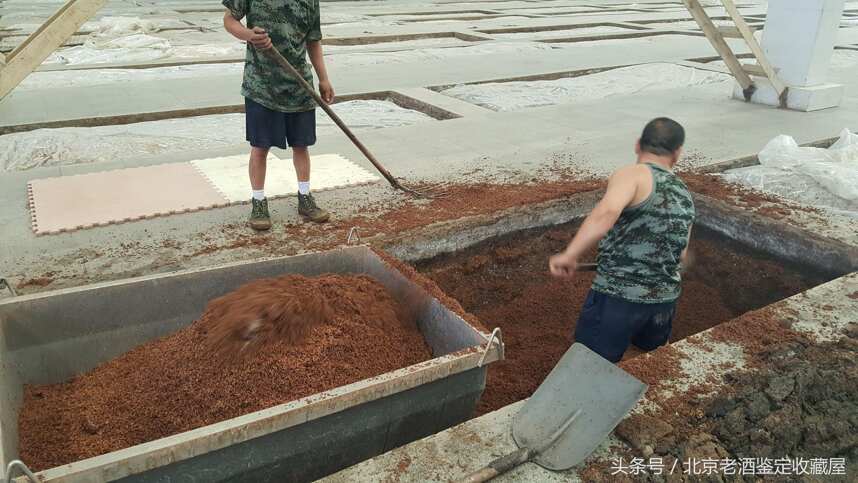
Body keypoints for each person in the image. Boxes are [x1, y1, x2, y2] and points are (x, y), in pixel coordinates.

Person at [549, 117, 695, 363]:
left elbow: (606, 213)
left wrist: (570, 255)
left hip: (619, 297)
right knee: (650, 360)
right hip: (664, 301)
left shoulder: (633, 174)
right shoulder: (684, 194)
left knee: (589, 363)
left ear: (638, 145)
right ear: (677, 153)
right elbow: (681, 254)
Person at [223, 0, 333, 230]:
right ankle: (259, 202)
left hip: (299, 83)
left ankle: (305, 197)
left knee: (301, 145)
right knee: (260, 147)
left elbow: (313, 40)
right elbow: (229, 20)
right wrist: (248, 35)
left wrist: (323, 78)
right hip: (261, 84)